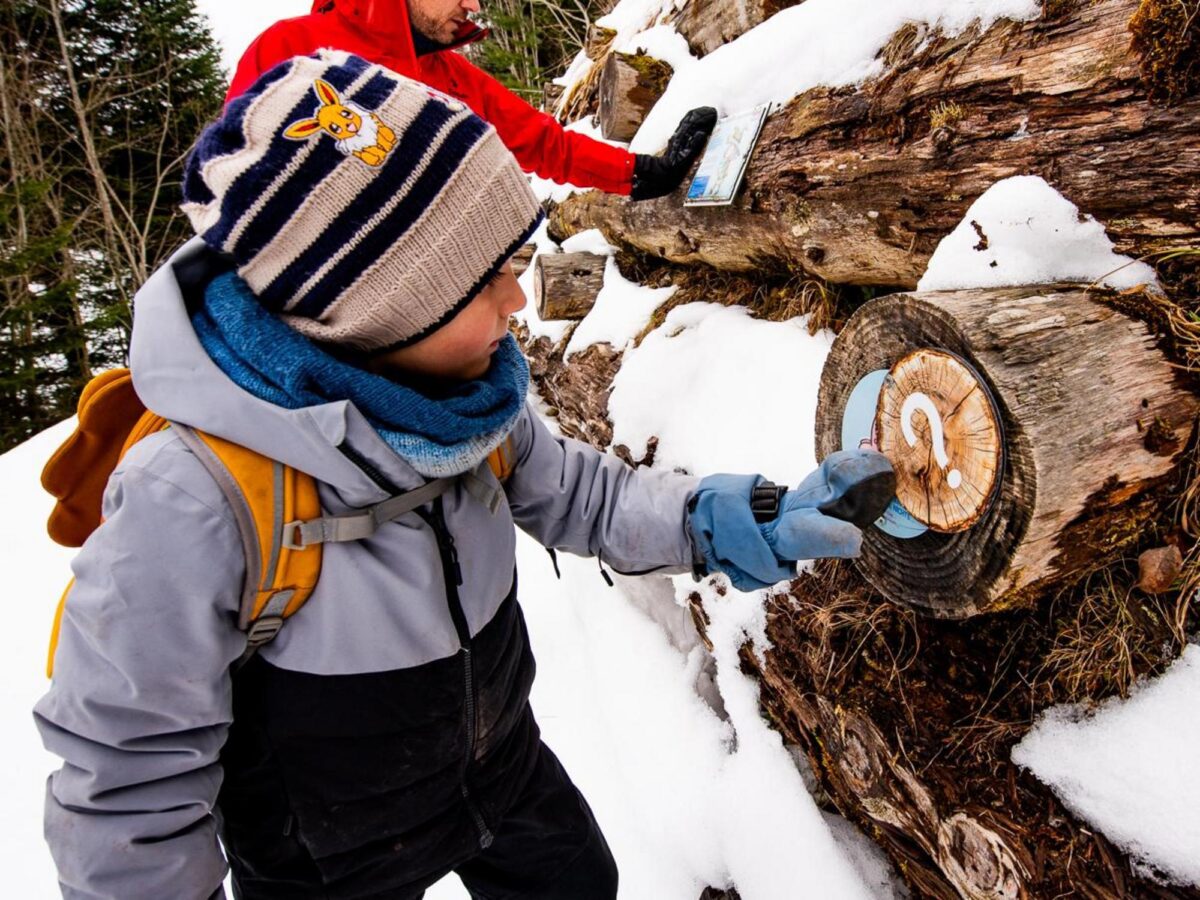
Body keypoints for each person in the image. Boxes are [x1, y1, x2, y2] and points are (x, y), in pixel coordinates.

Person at [35, 52, 893, 900]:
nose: (518, 305)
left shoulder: (465, 402)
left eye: (515, 266)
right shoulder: (194, 495)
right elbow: (130, 772)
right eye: (484, 283)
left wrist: (741, 519)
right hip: (325, 852)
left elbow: (587, 497)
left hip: (502, 769)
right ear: (371, 307)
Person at [227, 0, 717, 200]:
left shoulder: (450, 75)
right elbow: (235, 180)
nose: (475, 6)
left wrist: (639, 174)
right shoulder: (290, 49)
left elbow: (543, 144)